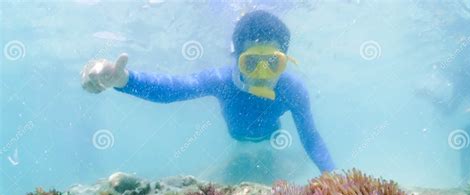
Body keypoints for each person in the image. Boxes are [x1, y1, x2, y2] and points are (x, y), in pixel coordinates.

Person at [81, 10, 335, 179]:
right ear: (236, 59)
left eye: (273, 63)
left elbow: (311, 139)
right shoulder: (223, 81)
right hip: (238, 141)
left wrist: (333, 178)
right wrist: (125, 80)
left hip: (271, 140)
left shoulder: (293, 89)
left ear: (286, 61)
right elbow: (173, 89)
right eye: (250, 63)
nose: (262, 74)